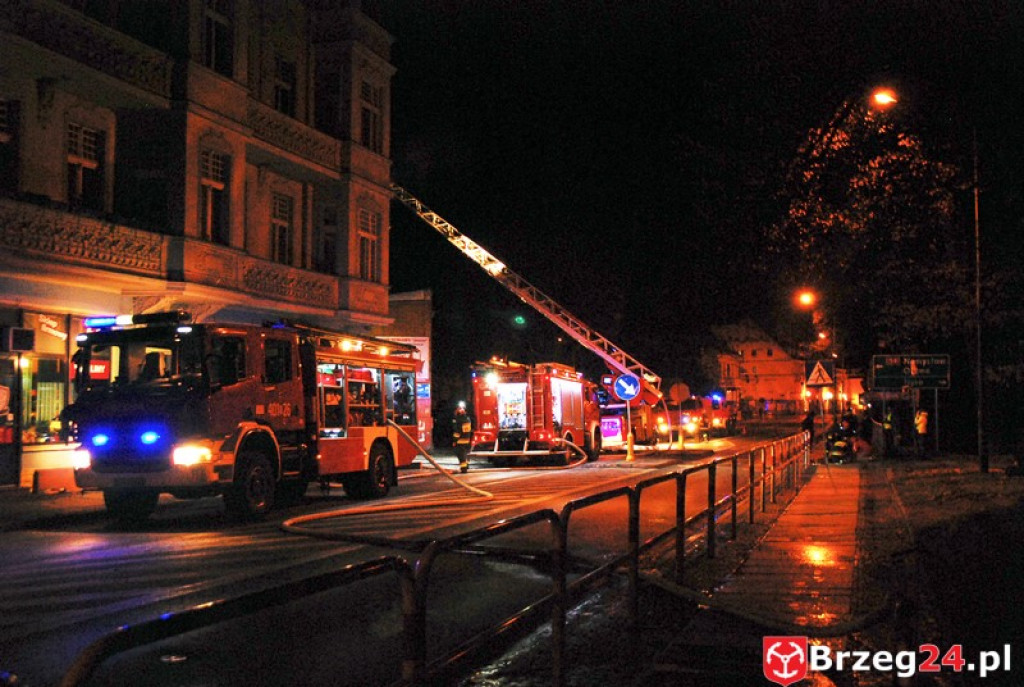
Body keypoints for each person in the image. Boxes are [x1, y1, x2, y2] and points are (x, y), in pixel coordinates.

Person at [452, 402, 472, 474]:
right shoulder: (467, 418)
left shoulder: (459, 419)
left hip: (460, 440)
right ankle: (465, 466)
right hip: (466, 439)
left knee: (461, 454)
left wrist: (454, 440)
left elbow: (457, 431)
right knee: (463, 453)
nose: (460, 410)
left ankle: (464, 469)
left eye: (461, 408)